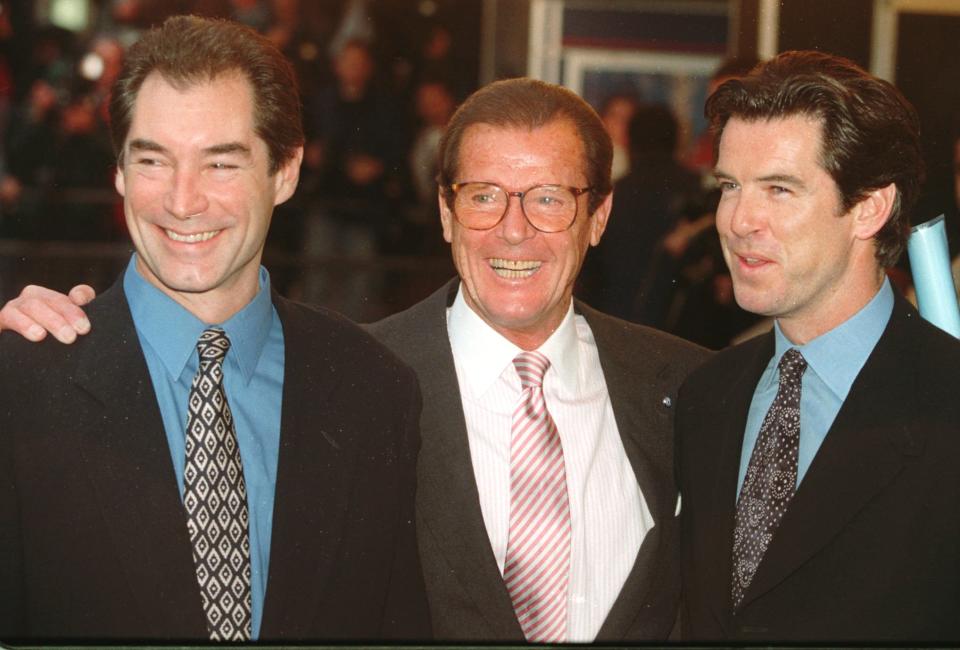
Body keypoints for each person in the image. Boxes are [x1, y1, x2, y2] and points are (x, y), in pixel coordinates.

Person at [0, 77, 708, 643]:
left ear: (600, 215)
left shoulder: (694, 391)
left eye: (549, 198)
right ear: (443, 211)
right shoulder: (369, 381)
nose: (513, 229)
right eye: (482, 196)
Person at [0, 15, 428, 643]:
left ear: (285, 172)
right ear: (118, 172)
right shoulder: (22, 384)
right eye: (153, 160)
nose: (182, 200)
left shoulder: (374, 390)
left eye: (220, 164)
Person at [675, 50, 960, 641]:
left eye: (779, 189)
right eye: (729, 185)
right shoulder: (706, 394)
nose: (738, 219)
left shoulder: (947, 401)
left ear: (869, 208)